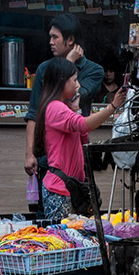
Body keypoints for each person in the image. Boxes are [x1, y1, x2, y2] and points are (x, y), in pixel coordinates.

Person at [32, 59, 125, 222]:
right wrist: (112, 107)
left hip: (71, 188)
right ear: (61, 81)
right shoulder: (55, 107)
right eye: (74, 79)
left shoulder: (64, 107)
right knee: (63, 241)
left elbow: (83, 137)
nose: (78, 84)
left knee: (73, 239)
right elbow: (84, 125)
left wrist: (76, 109)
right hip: (59, 189)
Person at [24, 14, 105, 191]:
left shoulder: (94, 71)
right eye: (50, 37)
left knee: (76, 217)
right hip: (48, 158)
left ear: (70, 40)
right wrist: (29, 153)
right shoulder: (44, 69)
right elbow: (33, 114)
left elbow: (72, 98)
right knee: (46, 215)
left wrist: (68, 64)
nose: (50, 42)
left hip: (75, 158)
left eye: (55, 37)